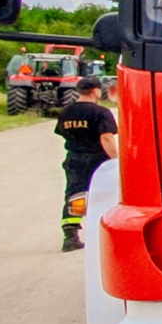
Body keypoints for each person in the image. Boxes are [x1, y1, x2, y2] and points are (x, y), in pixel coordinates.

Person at [56, 76, 118, 251]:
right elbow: (106, 138)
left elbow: (63, 133)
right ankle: (107, 235)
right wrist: (116, 160)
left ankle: (70, 236)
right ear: (95, 90)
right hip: (98, 161)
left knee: (75, 195)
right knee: (107, 195)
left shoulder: (66, 112)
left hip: (74, 159)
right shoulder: (100, 113)